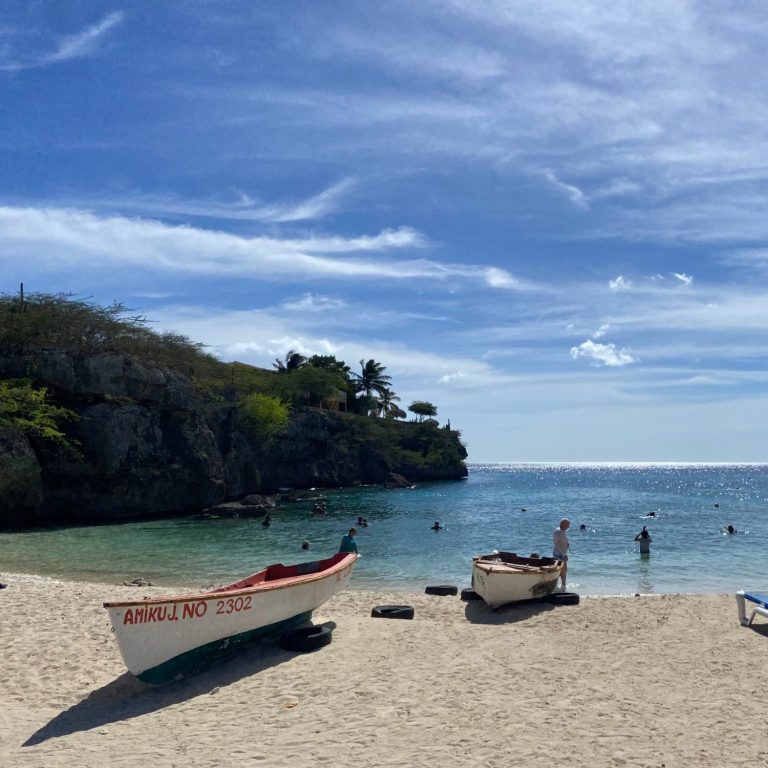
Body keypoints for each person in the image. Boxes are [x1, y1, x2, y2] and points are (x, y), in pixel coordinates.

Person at [552, 518, 570, 589]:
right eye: (568, 525)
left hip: (558, 553)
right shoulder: (559, 532)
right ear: (563, 524)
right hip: (559, 555)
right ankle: (563, 586)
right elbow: (558, 543)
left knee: (561, 571)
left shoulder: (560, 530)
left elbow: (560, 542)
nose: (568, 526)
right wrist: (564, 556)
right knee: (563, 571)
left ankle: (560, 586)